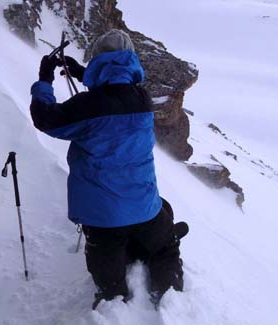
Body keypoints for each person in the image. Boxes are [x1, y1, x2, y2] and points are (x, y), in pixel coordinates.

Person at [30, 29, 185, 309]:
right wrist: (81, 73)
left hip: (102, 220)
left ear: (98, 61)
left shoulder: (86, 106)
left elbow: (45, 118)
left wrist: (44, 80)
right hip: (145, 209)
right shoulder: (142, 99)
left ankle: (114, 304)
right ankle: (172, 296)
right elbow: (113, 90)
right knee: (165, 246)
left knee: (110, 286)